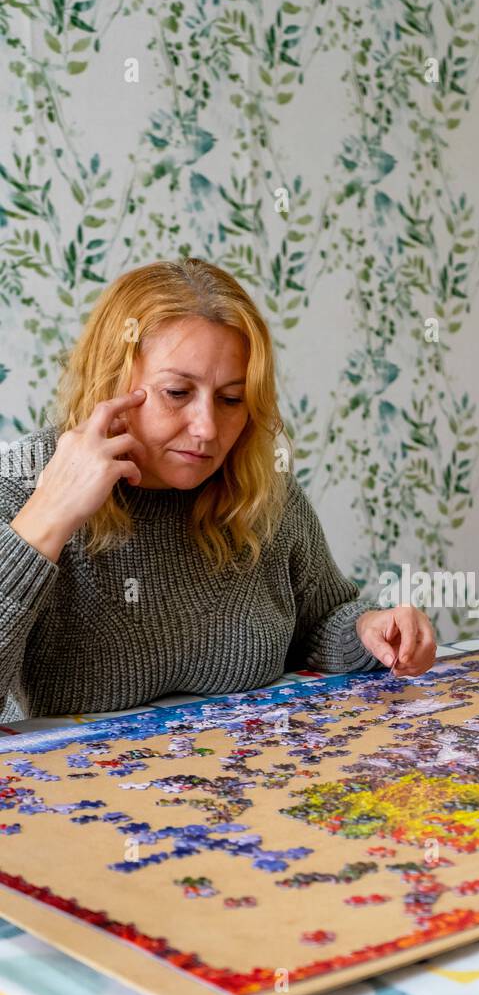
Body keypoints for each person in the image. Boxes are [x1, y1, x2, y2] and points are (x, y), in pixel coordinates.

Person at [0, 257, 436, 723]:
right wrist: (47, 516)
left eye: (231, 399)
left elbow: (321, 620)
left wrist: (369, 629)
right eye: (177, 393)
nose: (207, 428)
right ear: (112, 380)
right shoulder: (24, 480)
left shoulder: (259, 483)